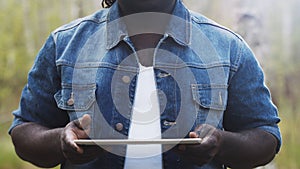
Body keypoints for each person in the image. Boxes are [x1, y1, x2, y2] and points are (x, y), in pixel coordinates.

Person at [9, 0, 281, 169]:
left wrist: (221, 144)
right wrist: (60, 141)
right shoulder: (65, 44)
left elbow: (265, 136)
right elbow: (24, 131)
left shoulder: (228, 48)